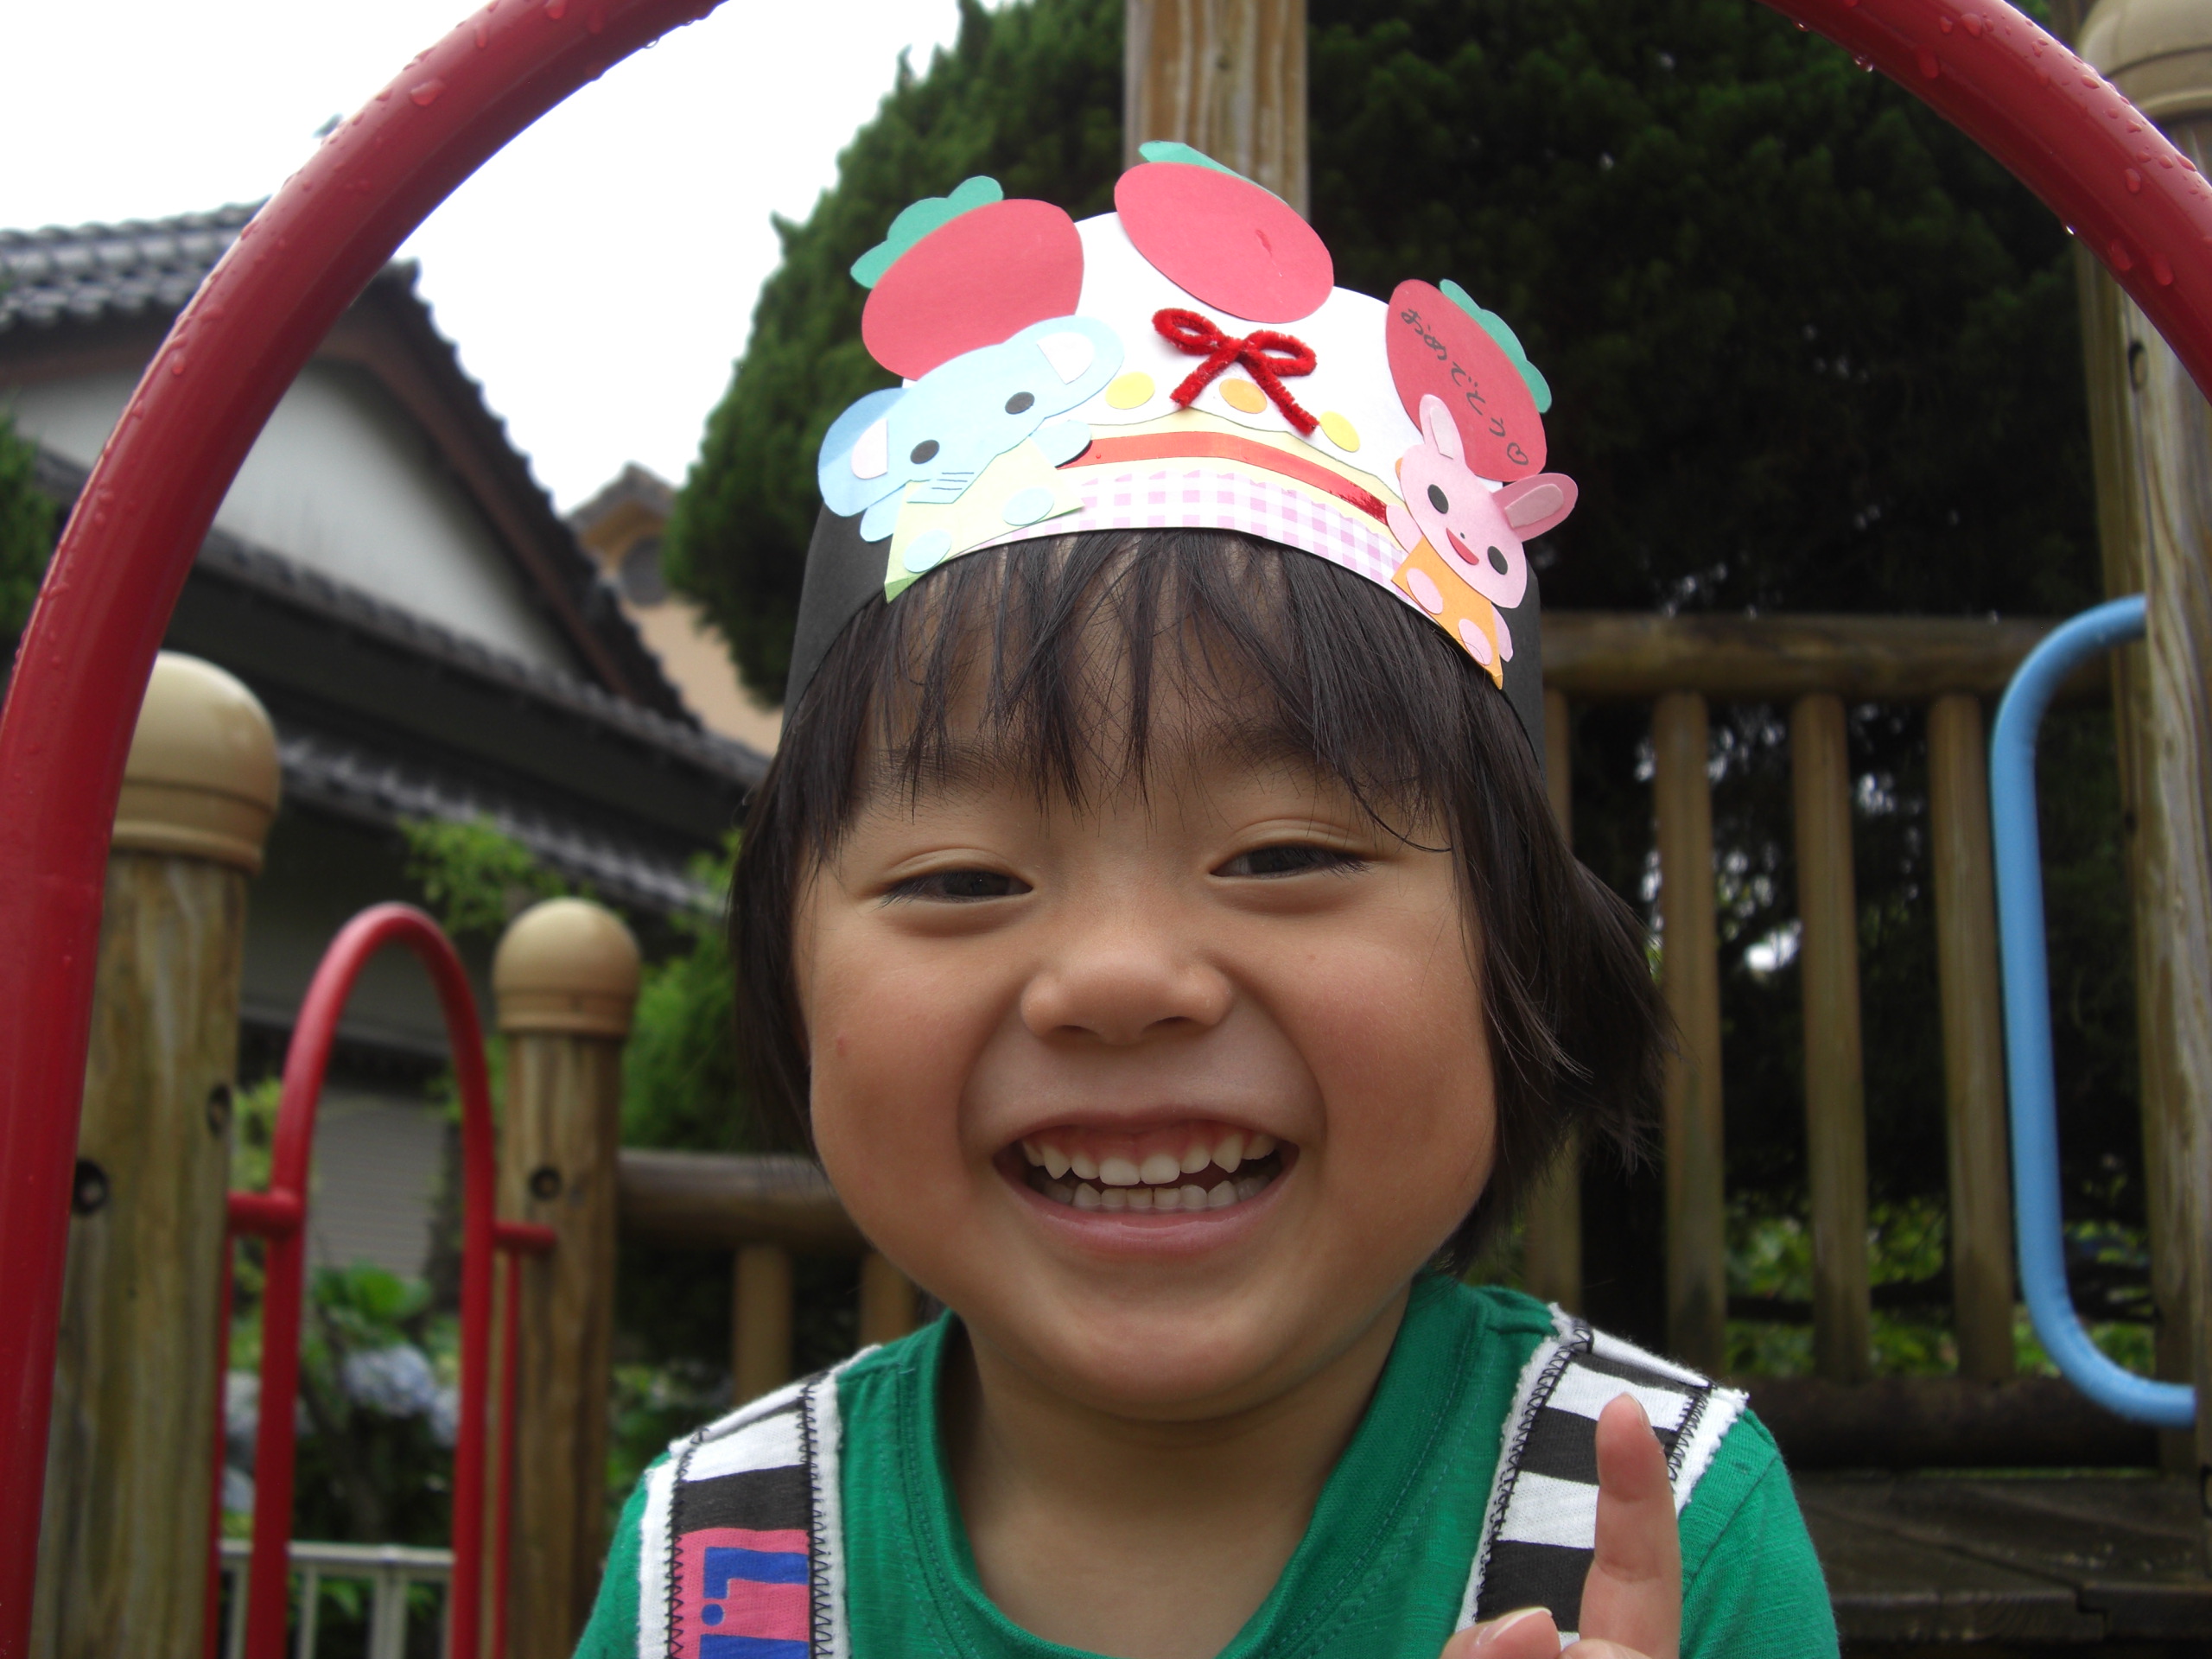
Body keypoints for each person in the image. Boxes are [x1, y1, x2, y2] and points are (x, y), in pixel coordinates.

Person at [575, 145, 1836, 1659]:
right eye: (962, 877)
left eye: (1285, 856)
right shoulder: (715, 1572)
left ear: (1526, 954)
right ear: (786, 972)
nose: (1120, 978)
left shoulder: (1658, 1540)